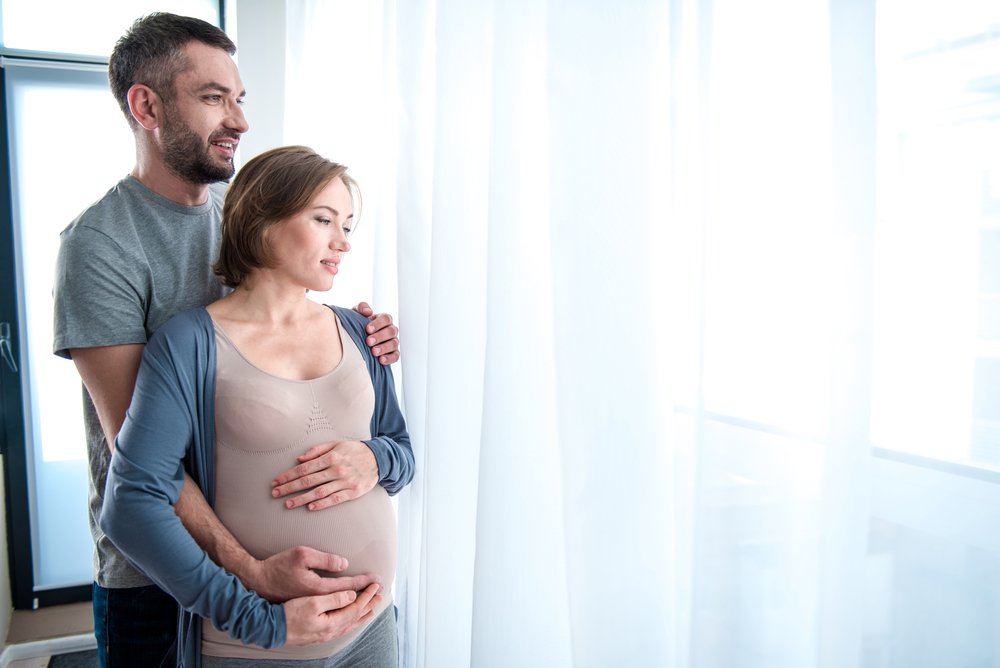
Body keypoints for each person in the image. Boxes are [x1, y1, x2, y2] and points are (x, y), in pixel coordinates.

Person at [52, 13, 403, 667]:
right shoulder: (100, 245)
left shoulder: (238, 210)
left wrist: (356, 335)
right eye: (214, 98)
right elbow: (144, 465)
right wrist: (251, 574)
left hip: (333, 606)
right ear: (146, 105)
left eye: (240, 98)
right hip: (160, 585)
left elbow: (272, 329)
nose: (239, 119)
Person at [102, 145, 410, 667]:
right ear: (263, 219)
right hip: (258, 647)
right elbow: (131, 505)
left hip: (372, 628)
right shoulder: (189, 344)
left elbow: (402, 455)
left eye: (349, 226)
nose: (343, 242)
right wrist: (260, 620)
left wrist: (378, 458)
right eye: (323, 220)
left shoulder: (362, 331)